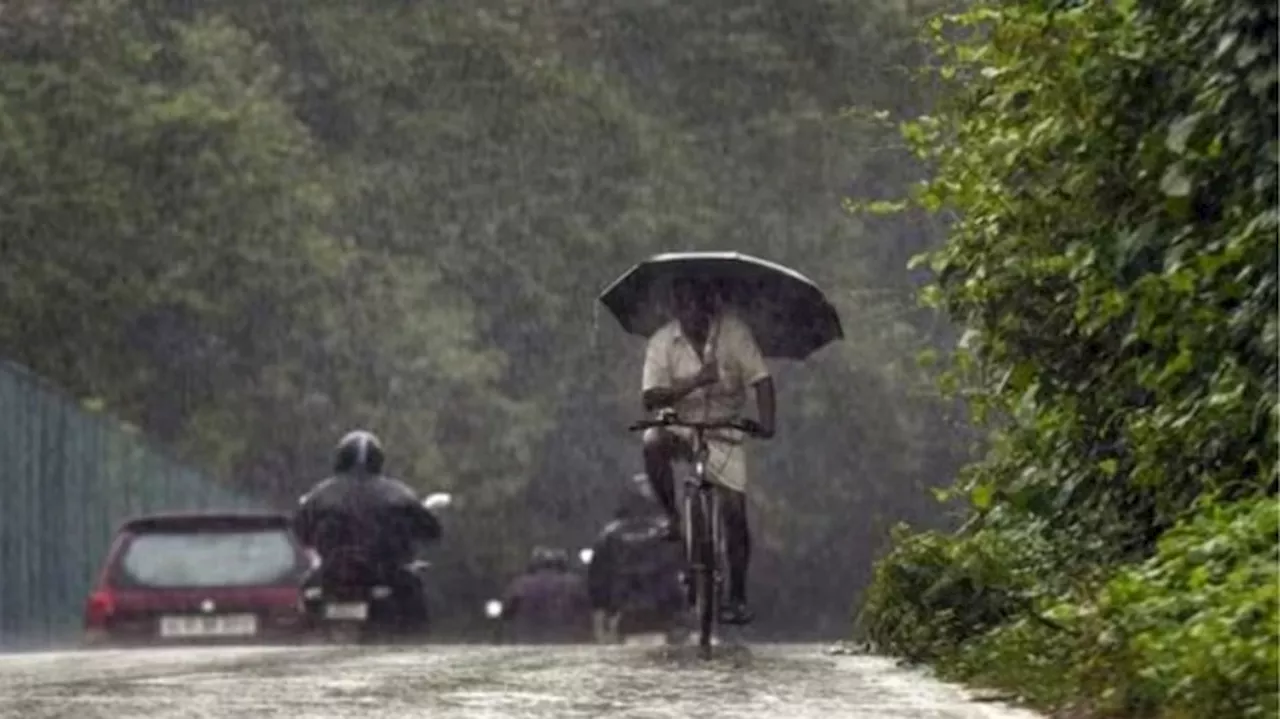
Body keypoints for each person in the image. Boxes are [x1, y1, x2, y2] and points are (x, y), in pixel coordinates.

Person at [640, 276, 775, 626]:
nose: (693, 315)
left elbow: (761, 380)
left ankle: (737, 596)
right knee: (652, 441)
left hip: (724, 428)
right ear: (677, 310)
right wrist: (697, 381)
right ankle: (672, 516)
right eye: (685, 308)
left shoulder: (734, 335)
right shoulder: (661, 342)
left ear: (711, 306)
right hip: (681, 425)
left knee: (734, 512)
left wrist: (767, 423)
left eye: (700, 307)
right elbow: (650, 398)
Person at [292, 430, 442, 631]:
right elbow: (431, 529)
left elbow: (300, 529)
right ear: (378, 460)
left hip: (334, 573)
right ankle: (415, 641)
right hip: (385, 572)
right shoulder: (397, 493)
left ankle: (305, 631)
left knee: (306, 589)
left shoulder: (321, 493)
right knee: (413, 592)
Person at [587, 474, 687, 644]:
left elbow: (598, 583)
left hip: (624, 615)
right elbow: (687, 574)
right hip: (664, 615)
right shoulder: (671, 532)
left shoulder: (609, 534)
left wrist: (600, 627)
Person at [499, 546, 592, 643]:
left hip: (527, 639)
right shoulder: (574, 584)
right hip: (565, 640)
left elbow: (506, 612)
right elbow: (587, 611)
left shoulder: (520, 584)